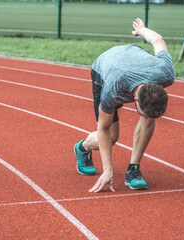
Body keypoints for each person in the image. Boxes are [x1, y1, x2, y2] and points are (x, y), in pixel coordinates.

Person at [74, 18, 175, 193]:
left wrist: (142, 30)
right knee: (112, 137)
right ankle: (83, 148)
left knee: (149, 118)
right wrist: (108, 170)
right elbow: (103, 129)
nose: (145, 117)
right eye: (143, 113)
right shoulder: (113, 88)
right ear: (135, 100)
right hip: (105, 67)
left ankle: (133, 169)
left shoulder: (165, 73)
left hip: (133, 56)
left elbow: (158, 40)